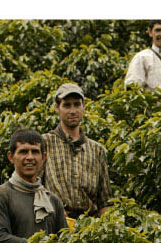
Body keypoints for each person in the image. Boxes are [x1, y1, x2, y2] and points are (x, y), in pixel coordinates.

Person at [41, 83, 113, 218]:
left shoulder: (97, 150)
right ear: (57, 108)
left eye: (77, 104)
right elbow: (34, 187)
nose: (73, 111)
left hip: (89, 225)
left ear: (83, 106)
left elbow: (104, 201)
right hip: (56, 223)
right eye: (67, 105)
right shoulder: (45, 143)